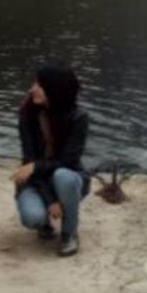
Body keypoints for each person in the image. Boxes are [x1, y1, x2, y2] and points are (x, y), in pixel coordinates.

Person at [11, 65, 90, 257]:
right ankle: (44, 223)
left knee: (63, 176)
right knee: (33, 218)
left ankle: (69, 234)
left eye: (40, 84)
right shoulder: (27, 114)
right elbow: (29, 167)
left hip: (69, 179)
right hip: (35, 182)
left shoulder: (79, 117)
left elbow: (68, 162)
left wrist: (36, 165)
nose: (32, 89)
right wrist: (51, 200)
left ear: (56, 89)